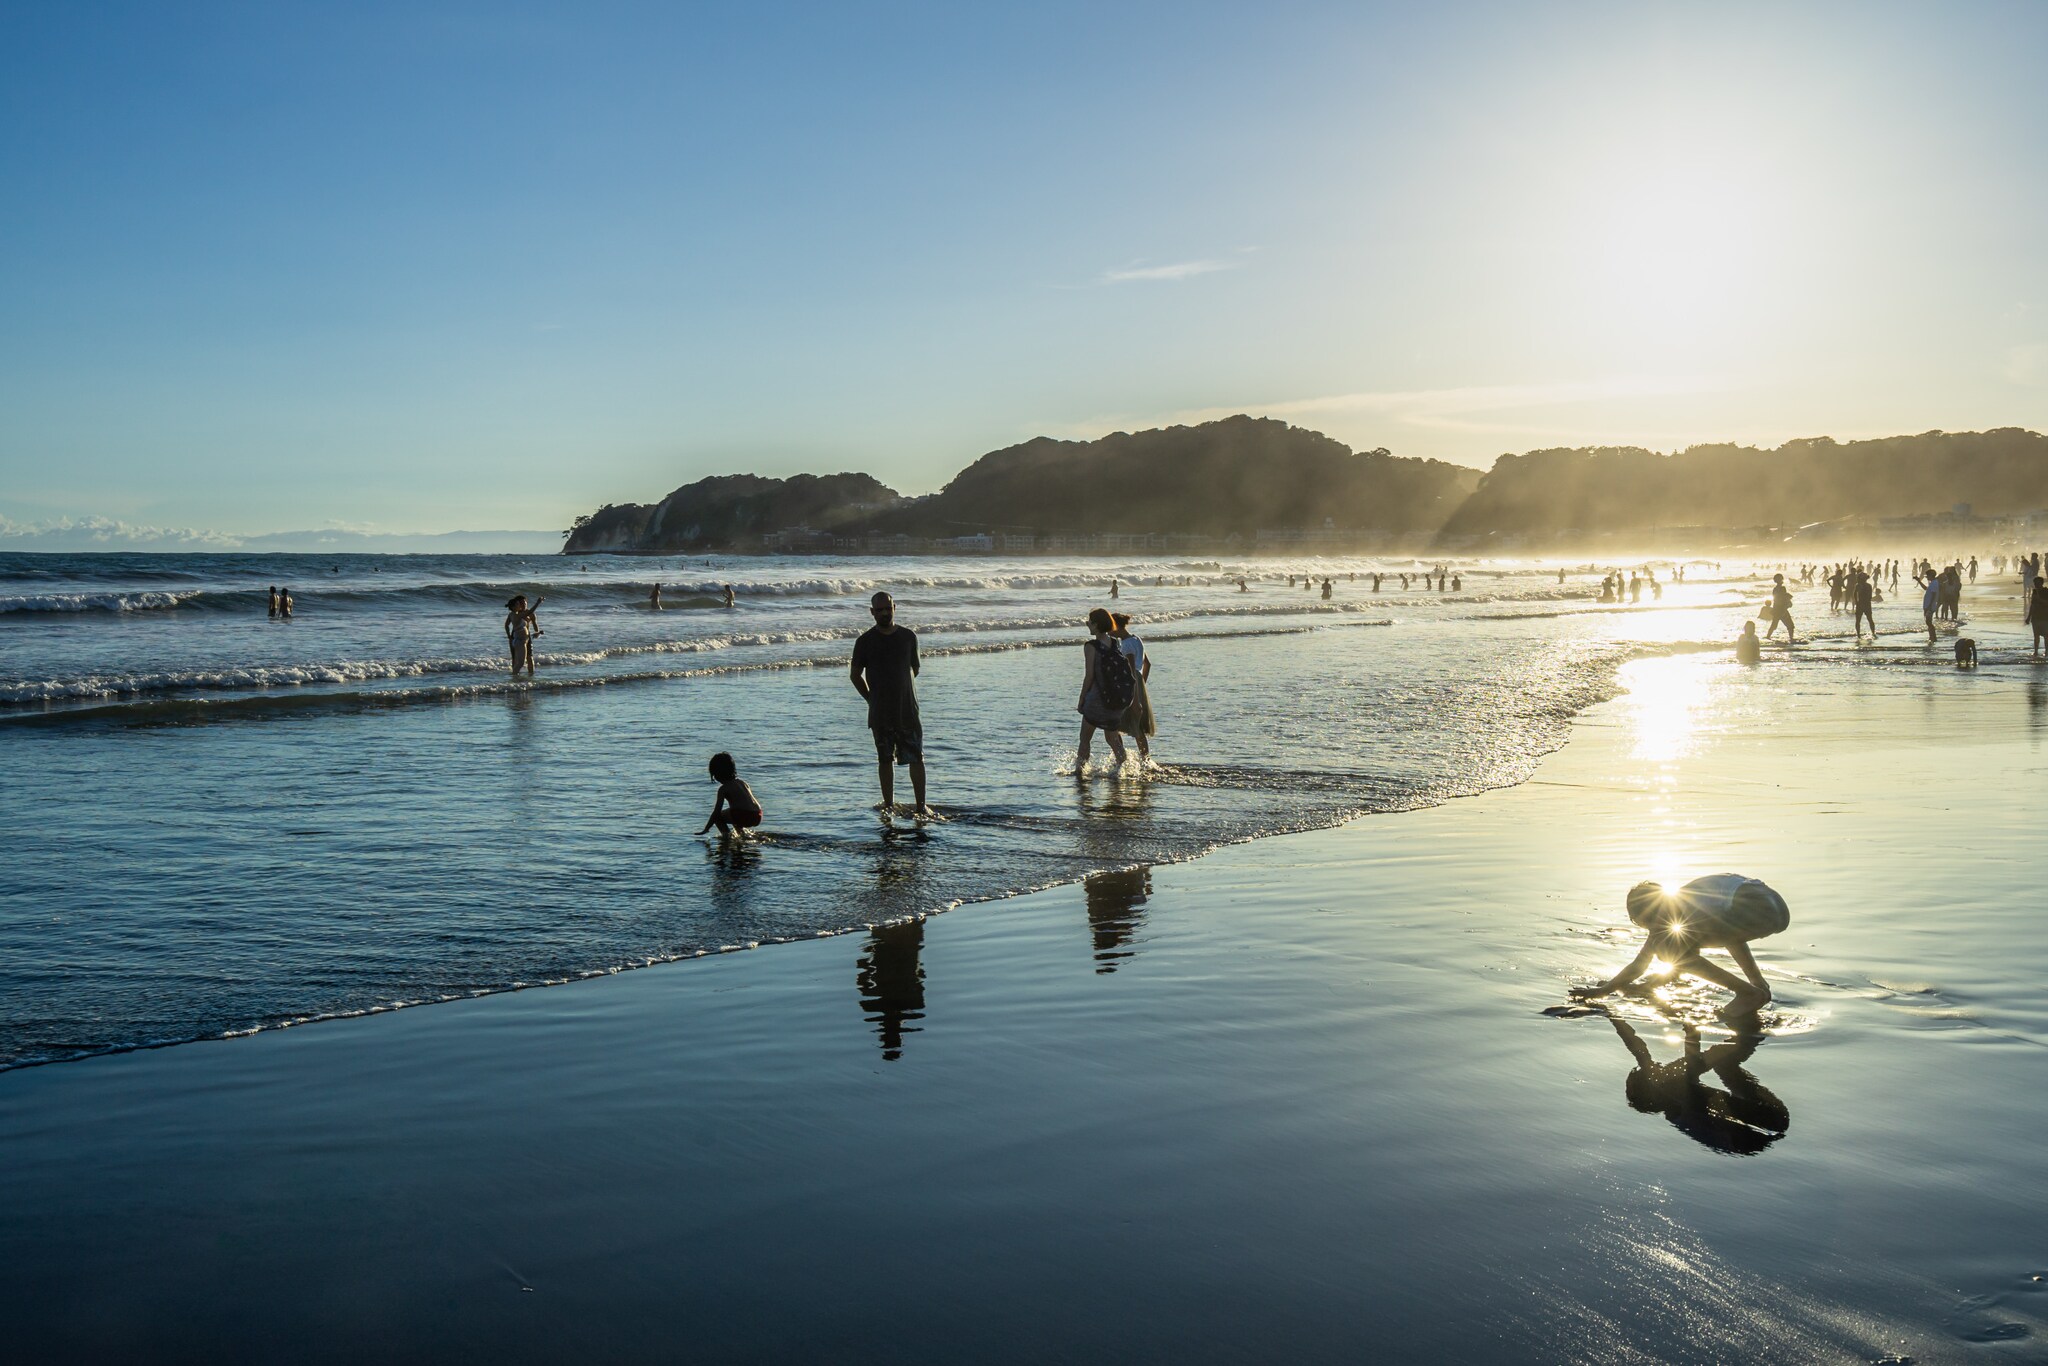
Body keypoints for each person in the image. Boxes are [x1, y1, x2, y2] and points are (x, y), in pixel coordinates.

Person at [1571, 874, 1788, 1017]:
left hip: (1755, 906)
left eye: (1649, 924)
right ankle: (1758, 986)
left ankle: (1748, 993)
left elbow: (1648, 962)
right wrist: (1608, 989)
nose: (1653, 931)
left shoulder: (1685, 907)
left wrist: (1609, 990)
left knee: (1669, 950)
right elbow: (1642, 962)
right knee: (1687, 943)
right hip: (1776, 907)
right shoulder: (1681, 905)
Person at [849, 591, 928, 815]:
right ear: (872, 612)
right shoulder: (864, 641)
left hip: (907, 710)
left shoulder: (908, 637)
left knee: (917, 758)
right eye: (879, 609)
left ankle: (922, 807)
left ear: (895, 608)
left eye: (888, 608)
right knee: (885, 759)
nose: (884, 613)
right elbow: (855, 675)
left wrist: (900, 690)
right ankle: (889, 805)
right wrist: (870, 699)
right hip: (880, 712)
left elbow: (915, 670)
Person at [1074, 607, 1133, 772]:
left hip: (1097, 700)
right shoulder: (1116, 642)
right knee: (1112, 738)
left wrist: (1081, 700)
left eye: (1089, 622)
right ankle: (1124, 768)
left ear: (1096, 625)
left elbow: (1089, 676)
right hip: (1114, 700)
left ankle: (1080, 770)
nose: (1087, 625)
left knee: (1085, 738)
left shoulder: (1091, 646)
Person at [1110, 611, 1155, 763]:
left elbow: (1130, 671)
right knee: (1137, 728)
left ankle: (1121, 760)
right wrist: (1142, 686)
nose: (1108, 632)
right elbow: (1147, 664)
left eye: (1110, 628)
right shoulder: (1136, 639)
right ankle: (1145, 760)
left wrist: (1135, 696)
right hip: (1138, 683)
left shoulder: (1126, 644)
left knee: (1114, 725)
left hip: (1130, 686)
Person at [698, 752, 763, 841]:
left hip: (744, 815)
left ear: (716, 774)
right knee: (733, 814)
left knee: (718, 818)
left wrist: (706, 828)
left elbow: (716, 812)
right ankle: (742, 837)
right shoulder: (742, 783)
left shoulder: (723, 789)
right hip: (757, 815)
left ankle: (727, 838)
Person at [504, 594, 536, 675]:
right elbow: (506, 625)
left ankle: (530, 676)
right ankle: (515, 675)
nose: (523, 605)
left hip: (526, 637)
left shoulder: (527, 614)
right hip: (518, 637)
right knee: (516, 659)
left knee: (529, 657)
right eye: (521, 603)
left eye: (525, 603)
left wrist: (533, 622)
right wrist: (509, 636)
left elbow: (536, 628)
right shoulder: (517, 614)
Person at [1763, 574, 1795, 643]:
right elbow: (1783, 598)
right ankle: (1791, 639)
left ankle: (1767, 637)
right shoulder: (1782, 588)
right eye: (1781, 579)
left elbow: (1776, 599)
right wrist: (1788, 603)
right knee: (1790, 626)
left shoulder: (1775, 589)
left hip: (1777, 610)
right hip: (1782, 609)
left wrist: (1774, 610)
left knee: (1774, 626)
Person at [1914, 566, 1941, 644]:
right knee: (1928, 622)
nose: (1926, 577)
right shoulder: (1932, 583)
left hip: (1930, 606)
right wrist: (1919, 581)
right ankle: (1931, 637)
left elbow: (1933, 595)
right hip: (1928, 606)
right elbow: (1926, 588)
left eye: (1927, 576)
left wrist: (1929, 607)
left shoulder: (1934, 583)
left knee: (1929, 622)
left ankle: (1933, 638)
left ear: (1931, 575)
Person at [1852, 568, 1876, 640]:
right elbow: (1870, 596)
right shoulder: (1868, 585)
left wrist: (1856, 602)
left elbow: (1854, 594)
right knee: (1870, 619)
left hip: (1860, 604)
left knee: (1858, 620)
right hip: (1867, 604)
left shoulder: (1858, 585)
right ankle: (1873, 633)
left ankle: (1858, 635)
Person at [2027, 576, 2048, 658]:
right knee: (2036, 636)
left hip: (2045, 617)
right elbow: (2032, 605)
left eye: (2037, 583)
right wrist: (2028, 617)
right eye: (2035, 583)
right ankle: (2035, 652)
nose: (2035, 584)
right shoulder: (2035, 591)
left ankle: (2046, 651)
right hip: (2035, 617)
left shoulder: (2046, 591)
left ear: (2041, 583)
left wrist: (2039, 599)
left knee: (2046, 636)